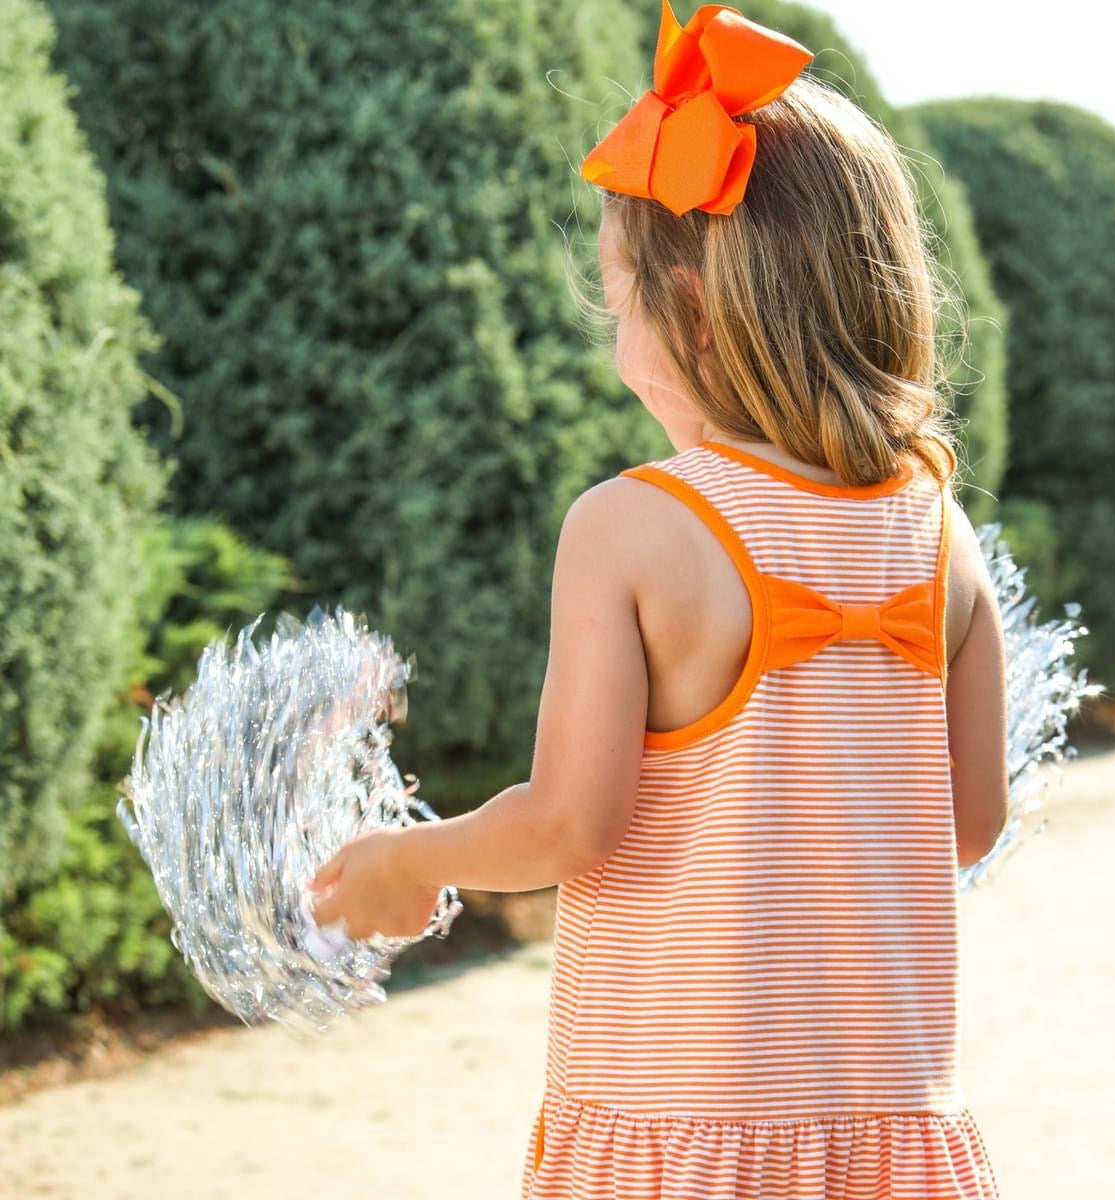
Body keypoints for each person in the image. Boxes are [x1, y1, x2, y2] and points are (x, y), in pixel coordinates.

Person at [310, 3, 1007, 1195]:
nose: (613, 325)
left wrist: (412, 860)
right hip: (890, 1132)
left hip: (677, 1128)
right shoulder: (937, 531)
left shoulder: (634, 526)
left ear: (684, 306)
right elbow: (971, 826)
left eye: (619, 291)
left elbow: (567, 825)